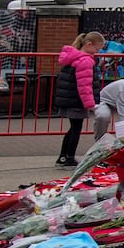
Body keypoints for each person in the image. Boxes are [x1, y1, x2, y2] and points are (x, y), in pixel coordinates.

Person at [53, 31, 105, 168]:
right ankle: (69, 158)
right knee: (76, 129)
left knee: (72, 128)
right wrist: (91, 104)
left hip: (70, 98)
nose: (97, 52)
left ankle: (63, 157)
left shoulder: (73, 57)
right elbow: (84, 85)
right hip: (77, 100)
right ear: (89, 44)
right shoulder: (85, 61)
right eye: (97, 49)